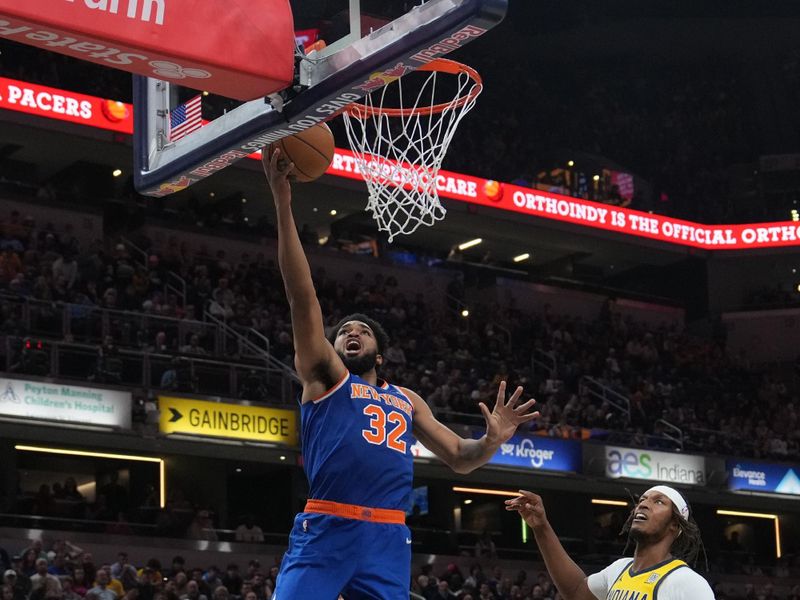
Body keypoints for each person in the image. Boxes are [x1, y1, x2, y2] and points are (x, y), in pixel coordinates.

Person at [263, 148, 539, 599]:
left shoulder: (407, 399)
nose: (351, 333)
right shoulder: (325, 378)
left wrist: (491, 441)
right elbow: (302, 298)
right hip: (329, 523)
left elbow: (460, 457)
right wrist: (283, 202)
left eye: (362, 331)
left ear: (380, 354)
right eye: (343, 332)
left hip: (389, 536)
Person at [506, 485, 714, 599]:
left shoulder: (686, 583)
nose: (643, 505)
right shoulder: (619, 570)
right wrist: (541, 527)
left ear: (675, 526)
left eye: (658, 501)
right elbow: (576, 591)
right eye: (642, 500)